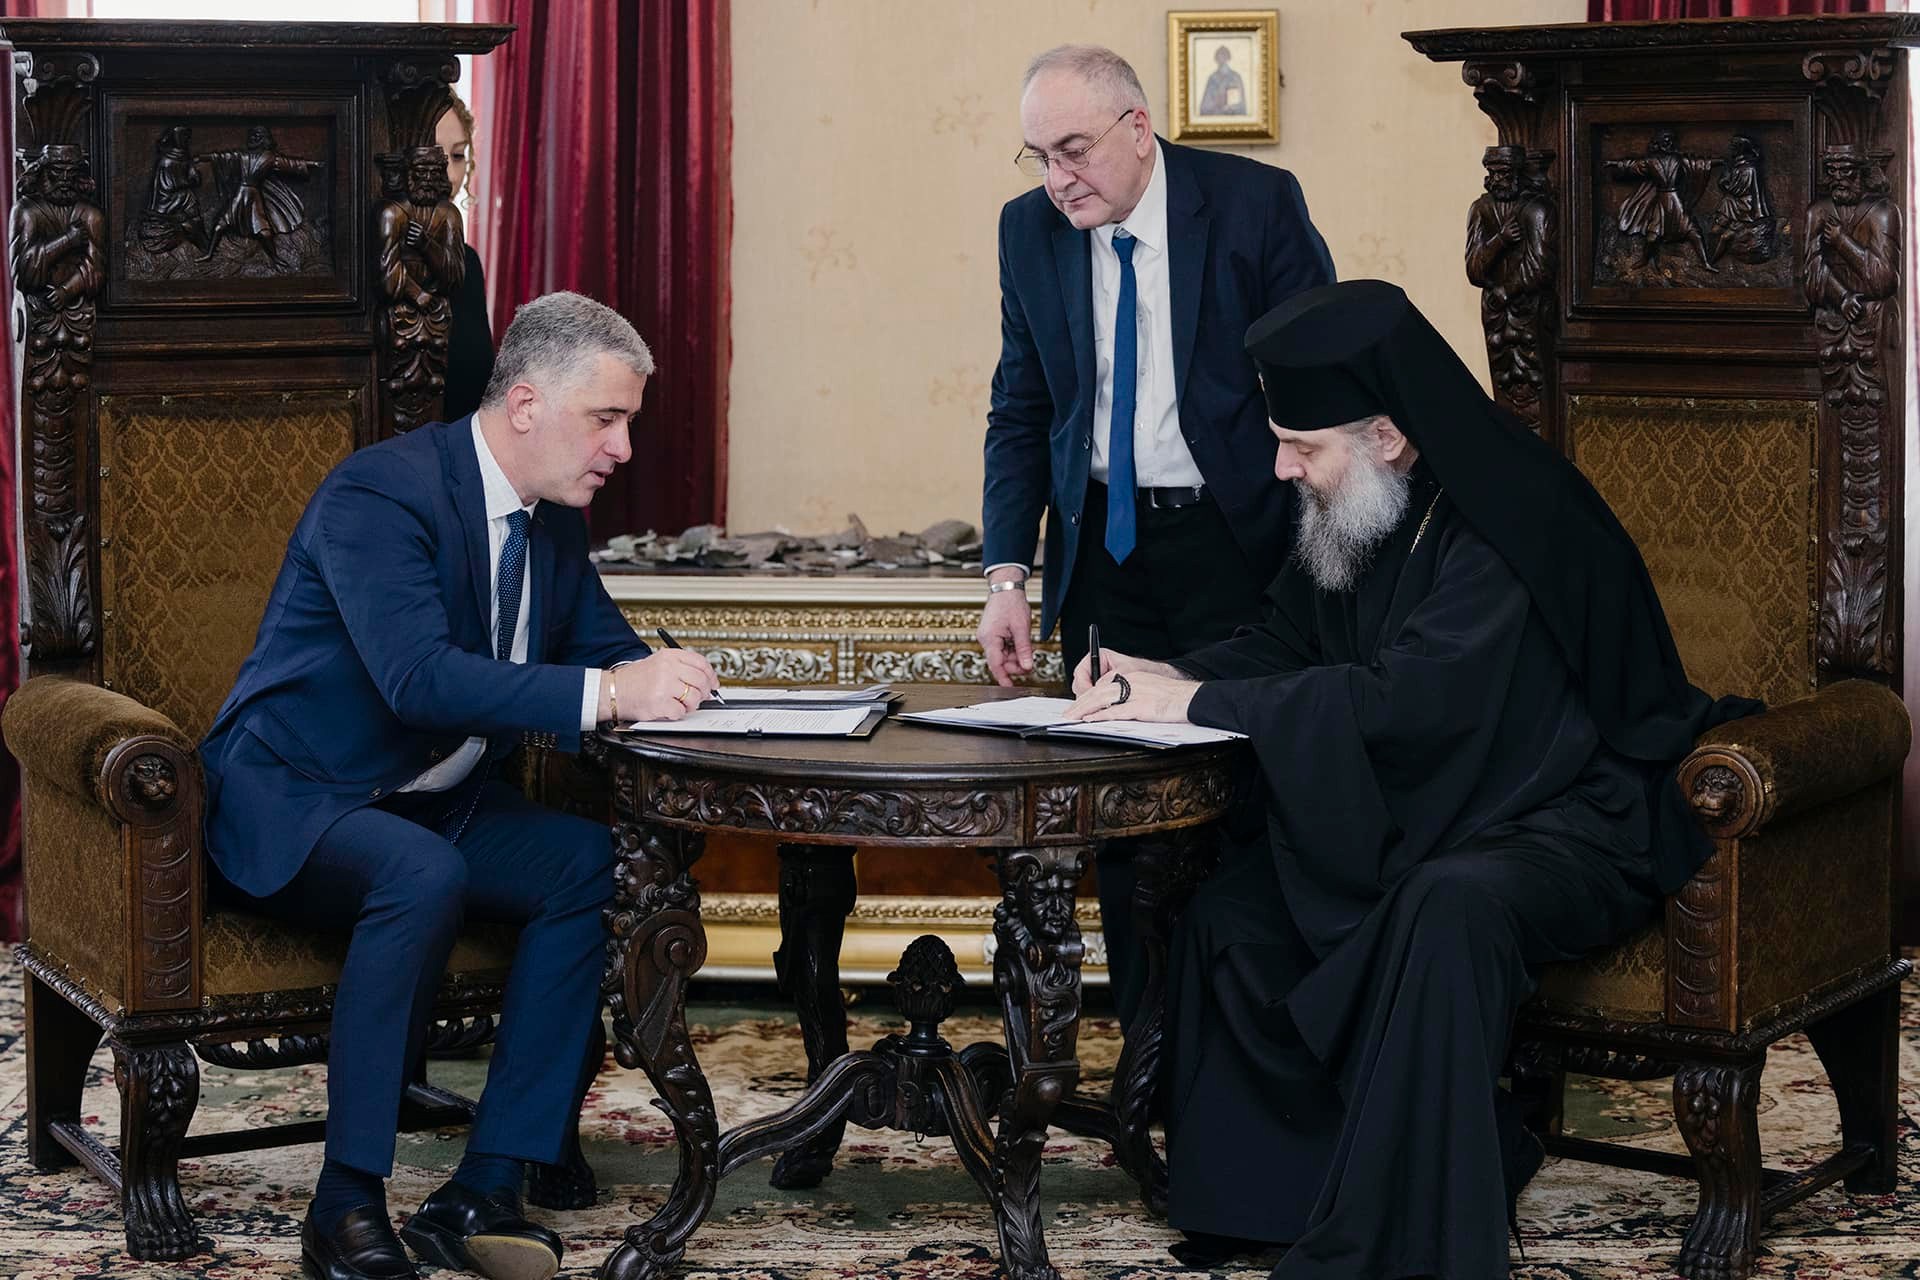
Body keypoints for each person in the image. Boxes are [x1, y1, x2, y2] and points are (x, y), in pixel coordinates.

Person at [1065, 280, 1759, 1277]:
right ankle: (1270, 1203)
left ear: (1387, 435)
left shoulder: (1512, 522)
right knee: (1232, 914)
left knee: (1445, 908)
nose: (1280, 467)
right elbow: (1287, 641)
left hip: (1566, 816)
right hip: (1447, 803)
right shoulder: (1362, 508)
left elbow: (1414, 706)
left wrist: (1197, 705)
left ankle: (1404, 1241)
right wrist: (1167, 674)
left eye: (1302, 447)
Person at [199, 291, 719, 1280]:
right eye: (606, 419)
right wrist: (614, 691)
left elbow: (609, 653)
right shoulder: (379, 495)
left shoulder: (547, 522)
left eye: (628, 424)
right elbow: (419, 679)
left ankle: (483, 1185)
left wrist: (689, 688)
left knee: (587, 862)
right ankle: (344, 1203)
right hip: (301, 797)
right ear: (526, 403)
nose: (622, 448)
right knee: (420, 871)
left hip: (438, 801)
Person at [979, 43, 1332, 1023]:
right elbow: (1021, 408)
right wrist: (1006, 575)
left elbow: (1321, 378)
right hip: (1103, 551)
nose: (1058, 179)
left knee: (1244, 789)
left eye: (1075, 150)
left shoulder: (1254, 205)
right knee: (1118, 806)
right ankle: (1148, 1054)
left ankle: (1249, 1039)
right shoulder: (1028, 231)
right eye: (1040, 157)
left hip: (1236, 545)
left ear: (1139, 129)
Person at [437, 90, 496, 420]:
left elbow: (477, 384)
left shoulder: (467, 262)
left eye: (457, 156)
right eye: (434, 155)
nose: (449, 175)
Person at [1197, 44, 1247, 116]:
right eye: (1219, 56)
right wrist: (1215, 103)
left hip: (1232, 116)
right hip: (1215, 115)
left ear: (1228, 58)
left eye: (1224, 56)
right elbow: (1205, 105)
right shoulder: (1212, 78)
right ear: (1216, 59)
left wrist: (1230, 107)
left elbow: (1241, 104)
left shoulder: (1235, 77)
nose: (1221, 59)